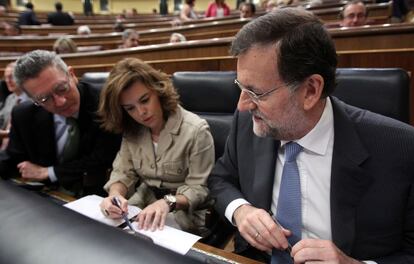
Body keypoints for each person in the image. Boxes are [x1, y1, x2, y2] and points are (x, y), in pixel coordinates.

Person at [208, 8, 414, 263]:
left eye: (257, 93)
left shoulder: (402, 149)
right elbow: (220, 179)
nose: (242, 105)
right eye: (241, 87)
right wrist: (241, 211)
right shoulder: (247, 122)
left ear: (311, 90)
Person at [98, 58, 214, 234]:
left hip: (185, 212)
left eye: (144, 100)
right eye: (130, 108)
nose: (141, 113)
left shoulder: (196, 130)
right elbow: (123, 173)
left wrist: (167, 202)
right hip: (144, 201)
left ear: (158, 90)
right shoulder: (132, 130)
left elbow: (199, 189)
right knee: (108, 234)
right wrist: (115, 196)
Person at [0, 50, 121, 197]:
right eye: (44, 99)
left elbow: (104, 158)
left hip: (98, 198)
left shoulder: (106, 102)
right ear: (33, 99)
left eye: (61, 88)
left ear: (72, 75)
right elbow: (13, 157)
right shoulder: (23, 114)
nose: (60, 102)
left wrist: (49, 172)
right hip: (46, 198)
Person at [0, 62, 28, 148]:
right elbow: (1, 119)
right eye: (6, 77)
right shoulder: (10, 98)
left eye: (11, 77)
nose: (8, 81)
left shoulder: (34, 100)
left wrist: (6, 134)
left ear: (22, 78)